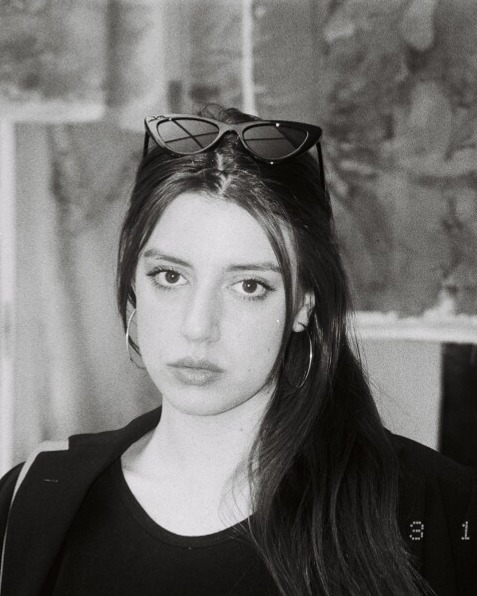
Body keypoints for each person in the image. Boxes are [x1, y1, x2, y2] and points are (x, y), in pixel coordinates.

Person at [0, 106, 476, 596]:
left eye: (248, 285)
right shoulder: (34, 502)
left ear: (304, 303)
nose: (198, 327)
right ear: (133, 284)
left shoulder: (433, 510)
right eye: (170, 276)